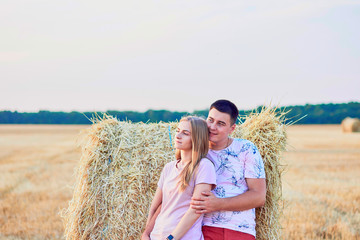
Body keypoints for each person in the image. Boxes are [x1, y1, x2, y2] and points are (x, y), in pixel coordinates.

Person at [190, 99, 266, 240]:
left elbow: (259, 196)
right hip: (202, 229)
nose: (212, 127)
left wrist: (219, 204)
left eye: (221, 124)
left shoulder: (246, 149)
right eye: (210, 120)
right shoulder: (195, 151)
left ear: (232, 128)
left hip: (239, 229)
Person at [142, 116, 217, 240]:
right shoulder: (169, 168)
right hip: (156, 236)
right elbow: (157, 206)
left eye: (185, 133)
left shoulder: (204, 166)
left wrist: (171, 238)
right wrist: (146, 234)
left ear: (196, 139)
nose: (178, 135)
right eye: (178, 131)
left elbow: (196, 209)